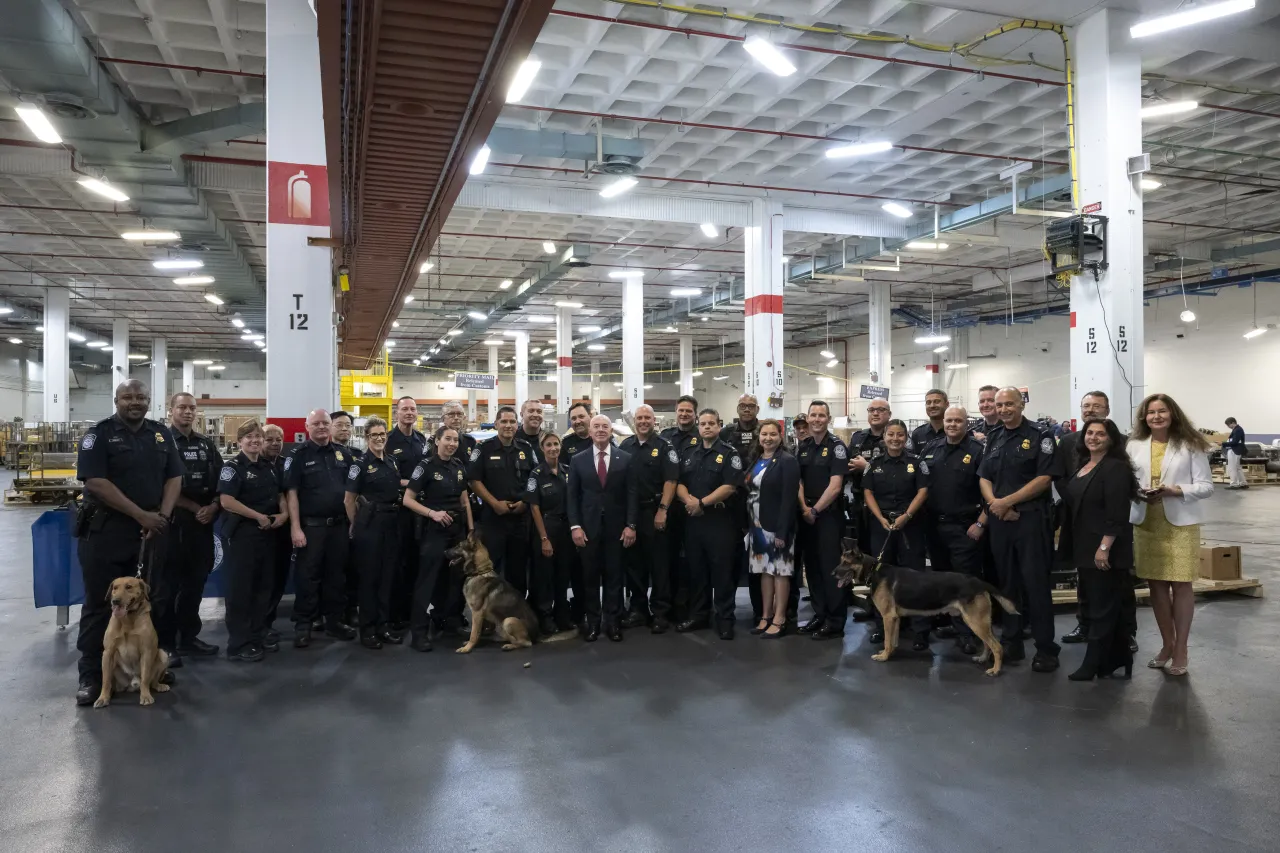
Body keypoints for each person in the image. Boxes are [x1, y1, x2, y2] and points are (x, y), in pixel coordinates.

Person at [73, 380, 183, 706]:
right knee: (100, 604)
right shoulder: (99, 434)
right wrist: (141, 516)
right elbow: (95, 481)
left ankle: (149, 671)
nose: (135, 402)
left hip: (150, 531)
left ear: (149, 401)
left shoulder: (160, 434)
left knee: (150, 600)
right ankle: (92, 675)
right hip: (106, 532)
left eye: (141, 397)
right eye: (128, 397)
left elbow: (174, 476)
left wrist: (160, 516)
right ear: (117, 399)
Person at [1128, 394, 1214, 676]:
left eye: (1161, 411)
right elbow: (1129, 483)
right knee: (1156, 587)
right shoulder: (1135, 445)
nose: (1156, 417)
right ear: (1144, 417)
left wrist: (1174, 490)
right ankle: (1167, 644)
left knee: (1181, 585)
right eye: (1150, 412)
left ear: (1172, 414)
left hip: (1180, 524)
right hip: (1146, 522)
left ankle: (1181, 649)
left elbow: (1205, 486)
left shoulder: (1190, 444)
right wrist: (1140, 493)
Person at [978, 387, 1062, 672]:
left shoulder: (1041, 436)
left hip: (1031, 520)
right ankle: (1012, 643)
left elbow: (1045, 477)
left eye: (1009, 404)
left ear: (1021, 404)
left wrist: (1007, 501)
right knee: (1007, 585)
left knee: (1036, 586)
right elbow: (984, 476)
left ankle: (1046, 649)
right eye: (999, 405)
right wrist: (995, 505)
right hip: (1001, 522)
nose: (1003, 409)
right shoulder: (994, 437)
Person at [1059, 419, 1139, 681]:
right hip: (1084, 545)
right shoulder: (1086, 466)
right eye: (1089, 433)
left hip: (1104, 549)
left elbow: (1117, 513)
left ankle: (1093, 662)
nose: (1093, 437)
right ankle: (1117, 658)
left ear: (1112, 439)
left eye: (1100, 434)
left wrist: (1104, 548)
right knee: (1097, 604)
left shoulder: (1115, 468)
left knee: (1101, 608)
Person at [158, 392, 222, 666]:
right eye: (182, 407)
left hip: (203, 525)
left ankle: (189, 637)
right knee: (168, 587)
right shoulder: (160, 443)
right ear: (170, 409)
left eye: (192, 408)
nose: (187, 412)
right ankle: (166, 644)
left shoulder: (207, 445)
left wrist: (214, 507)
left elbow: (224, 482)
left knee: (196, 583)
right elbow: (162, 484)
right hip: (174, 524)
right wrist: (195, 508)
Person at [283, 408, 357, 648]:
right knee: (308, 577)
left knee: (336, 576)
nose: (322, 427)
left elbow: (351, 493)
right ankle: (303, 625)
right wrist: (295, 528)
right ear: (307, 426)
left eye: (325, 423)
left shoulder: (343, 454)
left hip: (338, 527)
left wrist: (352, 523)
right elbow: (291, 494)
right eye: (316, 424)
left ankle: (334, 622)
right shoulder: (298, 455)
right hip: (311, 528)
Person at [216, 420, 288, 662]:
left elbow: (280, 494)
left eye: (258, 437)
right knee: (241, 590)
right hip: (244, 534)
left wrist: (284, 513)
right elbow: (227, 501)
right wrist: (258, 516)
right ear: (240, 442)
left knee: (263, 588)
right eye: (249, 437)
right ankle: (238, 644)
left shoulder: (268, 466)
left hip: (267, 534)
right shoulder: (232, 467)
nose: (255, 441)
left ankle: (256, 637)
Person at [920, 406, 987, 655]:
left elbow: (991, 490)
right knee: (941, 580)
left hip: (964, 528)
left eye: (958, 420)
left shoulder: (978, 451)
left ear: (966, 423)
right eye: (949, 420)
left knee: (964, 583)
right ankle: (953, 624)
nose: (952, 424)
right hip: (934, 527)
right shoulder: (931, 449)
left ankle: (968, 633)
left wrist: (980, 523)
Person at [1055, 390, 1119, 646]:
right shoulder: (1068, 442)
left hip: (1108, 523)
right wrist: (1075, 499)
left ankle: (1125, 633)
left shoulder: (1119, 441)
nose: (1090, 410)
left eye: (1096, 406)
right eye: (1086, 406)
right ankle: (1085, 625)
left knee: (1116, 578)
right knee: (1083, 574)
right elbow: (1059, 477)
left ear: (1107, 410)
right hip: (1075, 519)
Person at [403, 425, 474, 652]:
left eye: (455, 440)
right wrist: (432, 513)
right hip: (434, 531)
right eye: (448, 439)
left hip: (458, 531)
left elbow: (465, 501)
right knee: (427, 582)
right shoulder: (425, 466)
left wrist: (471, 530)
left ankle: (449, 621)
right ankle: (419, 633)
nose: (452, 444)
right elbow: (408, 499)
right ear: (437, 441)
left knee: (455, 580)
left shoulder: (458, 466)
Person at [568, 414, 638, 642]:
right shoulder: (578, 460)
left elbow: (631, 495)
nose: (600, 430)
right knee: (589, 578)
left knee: (614, 578)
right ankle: (593, 623)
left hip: (617, 530)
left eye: (605, 426)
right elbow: (572, 497)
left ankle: (613, 623)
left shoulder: (625, 459)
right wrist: (575, 527)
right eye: (596, 426)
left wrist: (631, 525)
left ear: (611, 431)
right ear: (589, 431)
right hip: (588, 530)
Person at [862, 419, 930, 648]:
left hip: (910, 525)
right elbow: (868, 492)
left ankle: (920, 631)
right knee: (880, 579)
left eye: (900, 435)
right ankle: (883, 629)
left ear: (906, 437)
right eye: (891, 434)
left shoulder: (916, 462)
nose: (895, 439)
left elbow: (922, 491)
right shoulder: (875, 463)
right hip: (882, 525)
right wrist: (880, 517)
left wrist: (907, 516)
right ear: (884, 437)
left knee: (916, 578)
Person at [675, 408, 743, 639]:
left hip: (719, 521)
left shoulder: (729, 453)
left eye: (711, 423)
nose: (706, 427)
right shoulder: (689, 452)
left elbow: (730, 486)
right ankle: (699, 615)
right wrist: (689, 501)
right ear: (698, 425)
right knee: (697, 571)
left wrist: (701, 503)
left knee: (722, 572)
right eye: (702, 423)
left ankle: (725, 619)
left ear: (719, 425)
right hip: (694, 522)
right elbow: (679, 482)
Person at [618, 404, 679, 632]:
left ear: (655, 421)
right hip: (633, 515)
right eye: (639, 418)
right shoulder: (626, 446)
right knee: (635, 565)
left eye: (647, 418)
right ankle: (638, 610)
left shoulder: (664, 447)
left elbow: (671, 480)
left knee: (659, 565)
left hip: (656, 513)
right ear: (634, 421)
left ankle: (661, 612)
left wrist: (663, 509)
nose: (643, 421)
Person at [344, 416, 402, 649]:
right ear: (367, 438)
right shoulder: (359, 464)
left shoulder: (392, 462)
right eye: (374, 435)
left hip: (391, 523)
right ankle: (367, 631)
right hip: (369, 526)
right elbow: (349, 499)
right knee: (369, 580)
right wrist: (356, 524)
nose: (379, 438)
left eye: (382, 434)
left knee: (387, 578)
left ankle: (383, 626)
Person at [796, 400, 848, 640]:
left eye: (821, 415)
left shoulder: (837, 447)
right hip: (806, 513)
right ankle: (820, 614)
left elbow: (836, 486)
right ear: (808, 419)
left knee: (830, 569)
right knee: (813, 568)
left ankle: (835, 621)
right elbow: (799, 481)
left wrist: (814, 511)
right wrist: (804, 508)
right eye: (813, 415)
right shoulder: (804, 446)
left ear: (828, 419)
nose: (816, 419)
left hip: (826, 515)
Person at [468, 405, 535, 592]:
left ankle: (516, 616)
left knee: (518, 571)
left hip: (520, 519)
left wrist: (525, 502)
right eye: (504, 421)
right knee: (491, 571)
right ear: (496, 424)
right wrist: (494, 503)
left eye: (512, 421)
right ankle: (490, 619)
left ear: (517, 424)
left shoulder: (526, 448)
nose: (508, 425)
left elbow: (534, 478)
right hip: (492, 520)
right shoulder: (483, 448)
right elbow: (474, 480)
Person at [744, 421, 800, 638]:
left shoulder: (787, 461)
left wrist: (782, 532)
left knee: (780, 572)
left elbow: (788, 499)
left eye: (773, 434)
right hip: (757, 525)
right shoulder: (757, 460)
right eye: (764, 434)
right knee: (764, 572)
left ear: (780, 436)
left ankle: (780, 618)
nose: (768, 438)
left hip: (777, 527)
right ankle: (765, 616)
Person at [527, 432, 575, 634]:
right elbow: (534, 507)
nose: (553, 448)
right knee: (545, 577)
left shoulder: (569, 471)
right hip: (547, 528)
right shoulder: (536, 474)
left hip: (566, 530)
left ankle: (562, 615)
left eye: (556, 444)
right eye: (549, 445)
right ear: (542, 448)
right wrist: (544, 538)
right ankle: (545, 618)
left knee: (563, 575)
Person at [387, 396, 427, 630]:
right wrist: (412, 483)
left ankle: (412, 611)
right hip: (398, 510)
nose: (409, 413)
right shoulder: (389, 440)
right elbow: (387, 476)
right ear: (397, 413)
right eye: (405, 409)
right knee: (397, 562)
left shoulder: (421, 439)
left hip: (419, 510)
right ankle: (396, 613)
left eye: (413, 409)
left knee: (415, 561)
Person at [660, 395, 700, 622]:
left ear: (695, 413)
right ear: (676, 412)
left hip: (696, 507)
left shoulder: (702, 436)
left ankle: (695, 607)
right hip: (671, 507)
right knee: (670, 558)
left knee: (695, 560)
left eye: (688, 411)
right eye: (681, 410)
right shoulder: (665, 438)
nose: (684, 414)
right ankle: (672, 606)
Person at [260, 423, 293, 644]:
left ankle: (267, 624)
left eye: (278, 440)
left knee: (278, 579)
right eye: (269, 439)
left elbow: (289, 493)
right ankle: (256, 626)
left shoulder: (285, 464)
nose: (274, 443)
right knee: (261, 581)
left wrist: (285, 515)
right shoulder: (254, 463)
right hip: (259, 531)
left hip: (283, 530)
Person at [846, 397, 891, 555]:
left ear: (889, 414)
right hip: (859, 501)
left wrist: (867, 467)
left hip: (885, 504)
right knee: (863, 549)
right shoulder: (858, 437)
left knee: (884, 551)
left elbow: (898, 469)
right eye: (872, 410)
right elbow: (849, 464)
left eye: (881, 410)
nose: (876, 413)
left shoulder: (894, 437)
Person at [329, 409, 357, 623]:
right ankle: (327, 615)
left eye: (348, 425)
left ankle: (350, 611)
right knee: (330, 572)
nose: (344, 428)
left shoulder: (357, 455)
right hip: (328, 523)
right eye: (339, 424)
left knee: (352, 569)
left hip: (353, 520)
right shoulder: (322, 453)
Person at [1222, 417, 1248, 490]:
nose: (1228, 427)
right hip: (1236, 450)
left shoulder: (1237, 430)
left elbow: (1234, 442)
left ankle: (1234, 484)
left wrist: (1223, 443)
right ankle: (1243, 483)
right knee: (1237, 468)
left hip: (1235, 450)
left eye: (1228, 425)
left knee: (1232, 468)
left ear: (1233, 423)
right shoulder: (1237, 429)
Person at [518, 400, 545, 465]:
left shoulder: (548, 439)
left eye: (539, 412)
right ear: (522, 414)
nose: (535, 415)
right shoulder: (513, 439)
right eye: (531, 411)